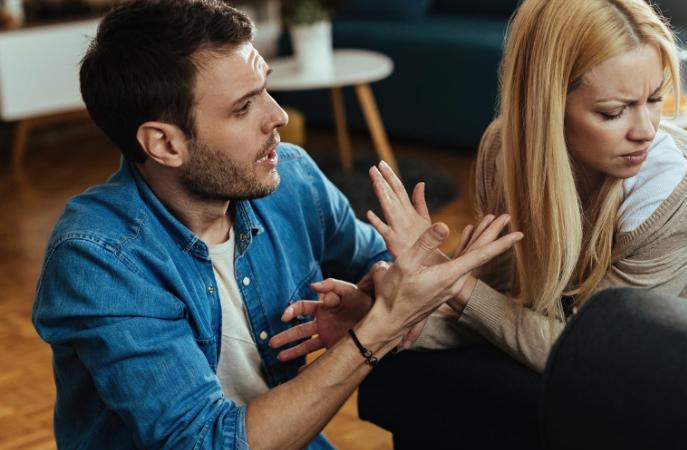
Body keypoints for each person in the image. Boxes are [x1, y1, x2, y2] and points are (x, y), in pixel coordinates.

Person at [30, 1, 522, 448]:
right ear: (165, 145)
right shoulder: (99, 257)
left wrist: (374, 294)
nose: (279, 116)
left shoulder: (291, 178)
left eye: (264, 88)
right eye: (244, 108)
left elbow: (378, 264)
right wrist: (378, 329)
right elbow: (205, 442)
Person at [274, 0, 687, 373]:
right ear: (546, 108)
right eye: (614, 111)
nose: (647, 129)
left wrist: (452, 283)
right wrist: (377, 320)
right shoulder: (504, 151)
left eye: (656, 99)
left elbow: (586, 351)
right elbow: (510, 306)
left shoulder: (676, 191)